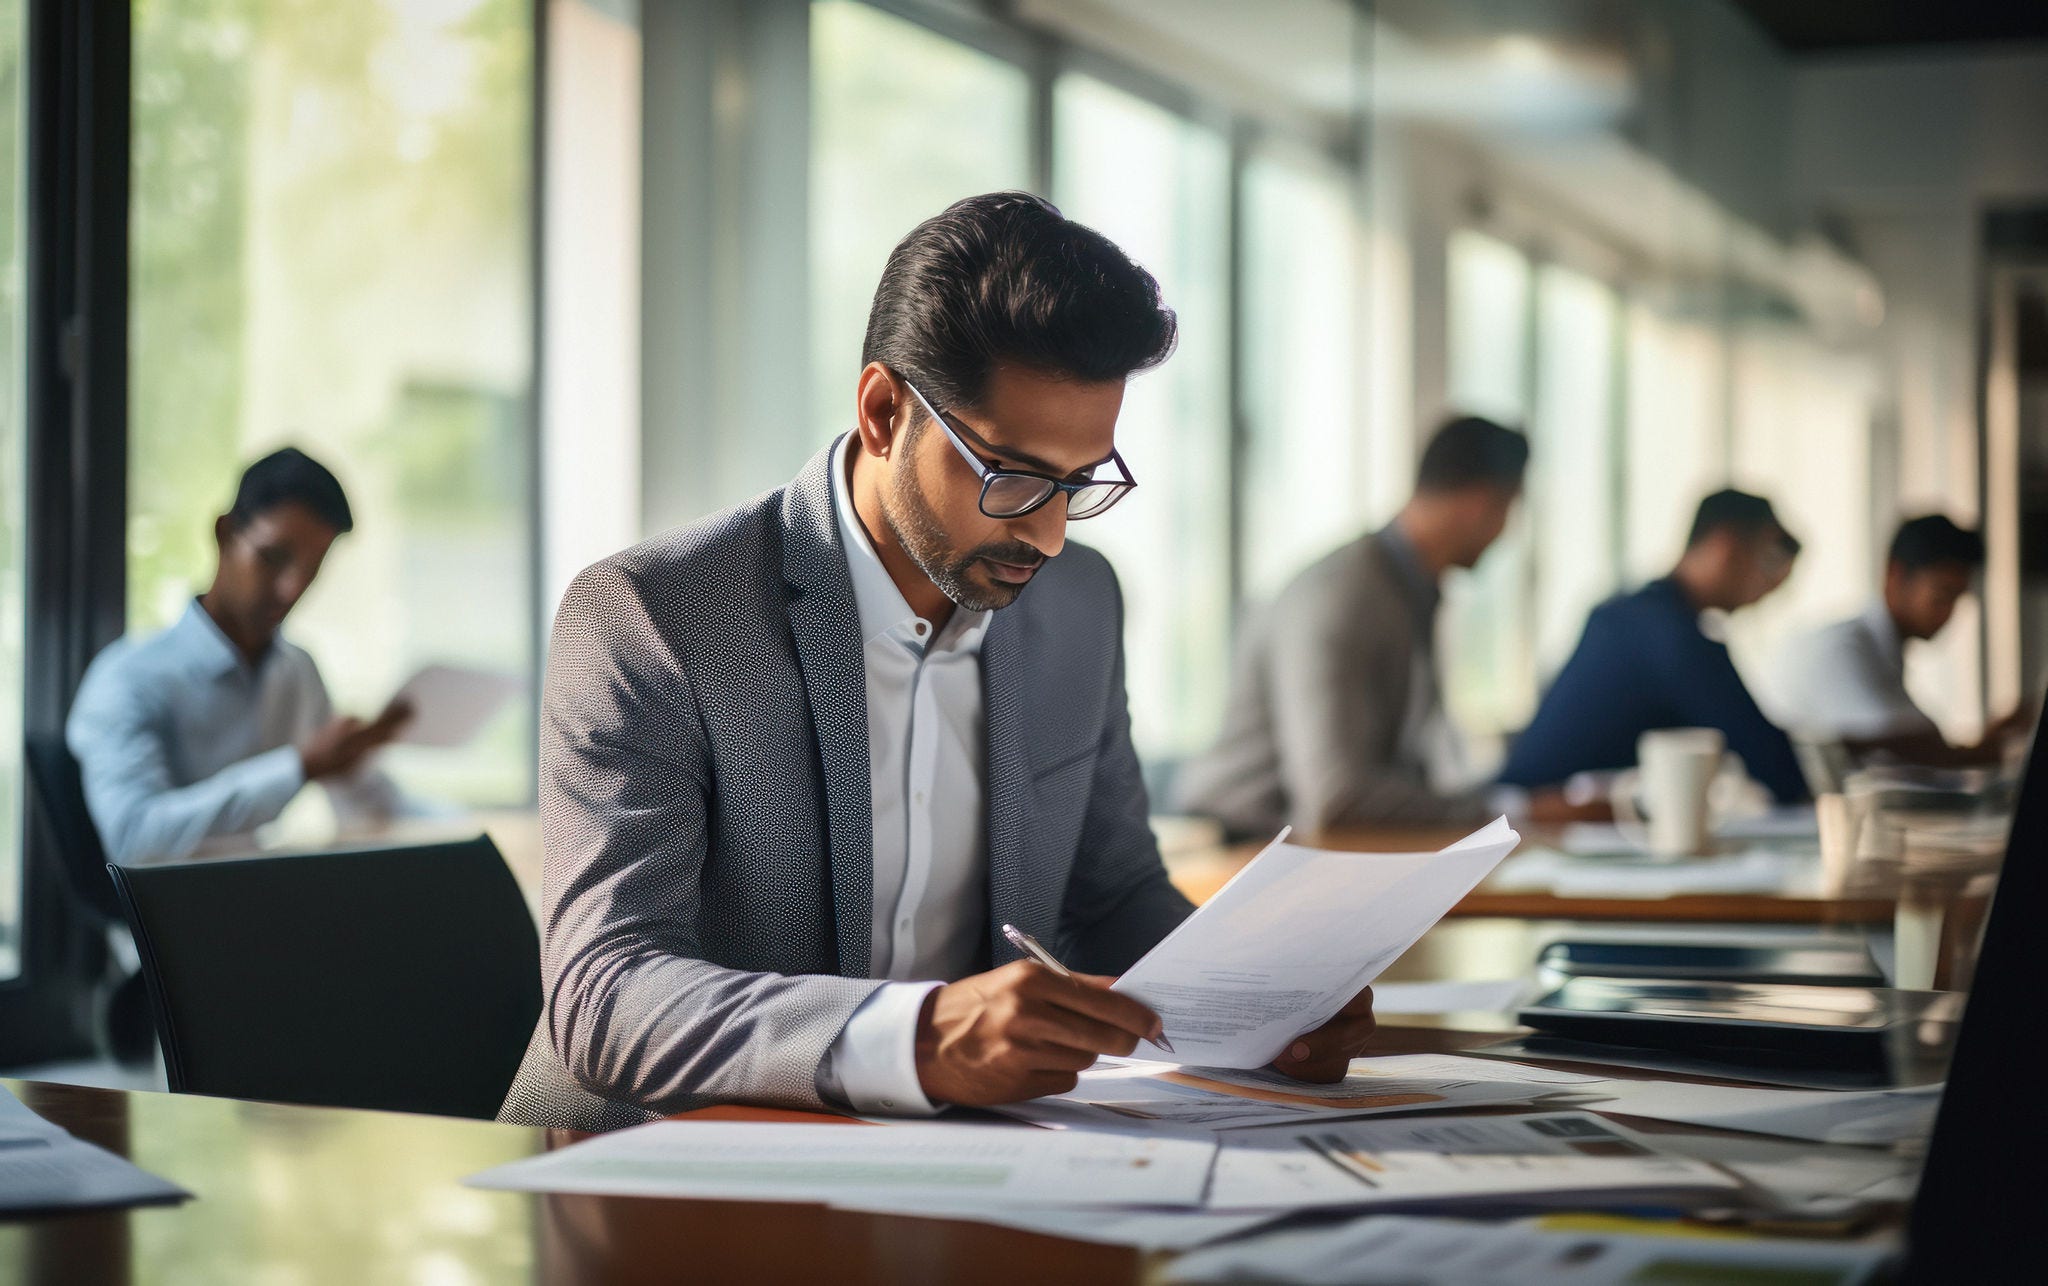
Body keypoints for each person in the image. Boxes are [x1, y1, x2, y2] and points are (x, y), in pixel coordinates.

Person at [497, 192, 1379, 1133]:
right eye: (1012, 474)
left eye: (1081, 483)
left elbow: (1113, 892)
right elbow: (607, 991)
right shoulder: (656, 615)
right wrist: (917, 1037)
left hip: (958, 1160)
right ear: (884, 411)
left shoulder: (1080, 604)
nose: (1045, 533)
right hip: (651, 1174)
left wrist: (1260, 1001)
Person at [1176, 416, 1537, 835]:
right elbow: (1338, 799)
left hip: (1297, 843)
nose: (1505, 533)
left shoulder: (1403, 587)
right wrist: (1504, 811)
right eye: (1509, 509)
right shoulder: (1347, 595)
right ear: (1481, 503)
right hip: (1237, 847)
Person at [67, 448, 415, 864]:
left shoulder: (298, 672)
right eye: (274, 558)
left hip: (268, 906)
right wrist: (298, 768)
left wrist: (475, 832)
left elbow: (365, 800)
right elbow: (136, 839)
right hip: (173, 923)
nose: (291, 590)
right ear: (225, 533)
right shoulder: (127, 679)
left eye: (311, 571)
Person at [1497, 488, 1809, 803]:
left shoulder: (1633, 614)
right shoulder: (1670, 637)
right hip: (1537, 822)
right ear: (1725, 547)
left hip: (1537, 811)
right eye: (1768, 560)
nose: (1770, 588)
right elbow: (1775, 766)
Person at [1771, 515, 2026, 765]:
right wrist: (1987, 748)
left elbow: (1924, 745)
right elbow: (1909, 747)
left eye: (1957, 598)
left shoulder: (1883, 653)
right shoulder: (1841, 650)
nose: (1949, 612)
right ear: (1896, 574)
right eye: (1942, 594)